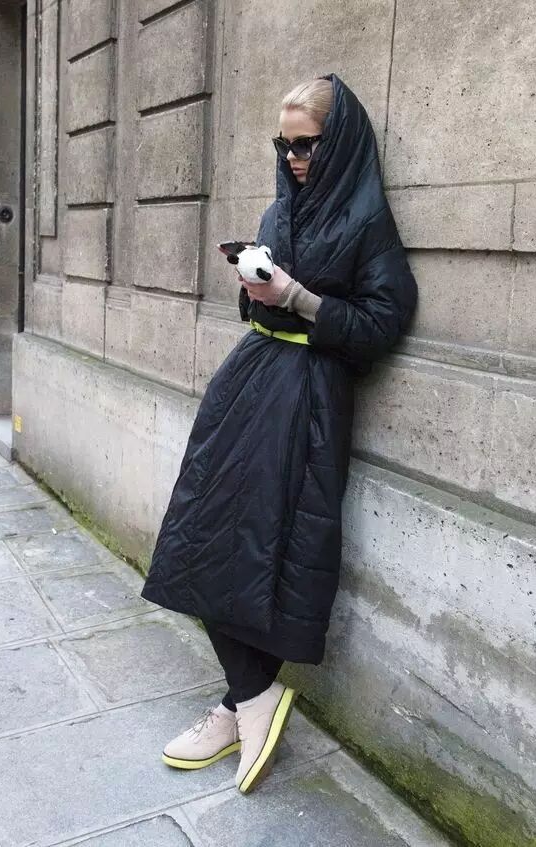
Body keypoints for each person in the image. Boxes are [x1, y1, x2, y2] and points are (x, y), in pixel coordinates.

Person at [140, 72, 418, 794]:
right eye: (285, 145)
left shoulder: (367, 221)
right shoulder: (278, 208)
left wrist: (298, 296)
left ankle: (244, 702)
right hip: (250, 380)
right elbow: (263, 308)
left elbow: (384, 323)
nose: (294, 158)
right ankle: (249, 698)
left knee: (271, 544)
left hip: (308, 396)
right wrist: (254, 285)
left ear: (340, 142)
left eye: (306, 145)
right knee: (201, 529)